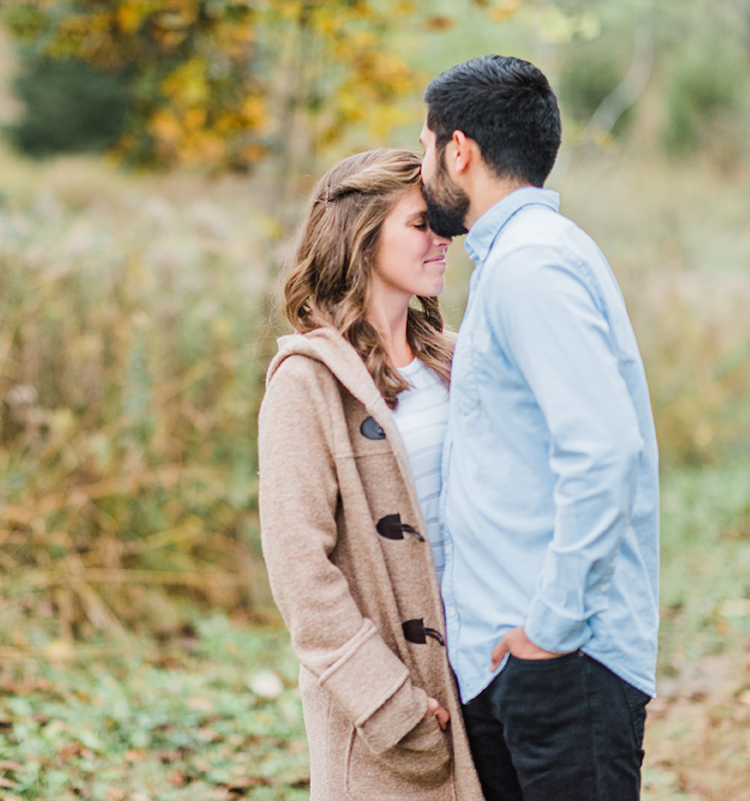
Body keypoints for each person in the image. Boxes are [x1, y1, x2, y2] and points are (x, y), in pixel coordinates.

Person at [418, 55, 661, 801]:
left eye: (426, 147)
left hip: (560, 666)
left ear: (459, 150)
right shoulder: (516, 261)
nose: (426, 167)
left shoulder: (531, 266)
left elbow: (604, 452)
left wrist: (549, 632)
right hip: (522, 666)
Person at [257, 148, 483, 800]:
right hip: (390, 718)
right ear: (361, 235)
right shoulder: (307, 382)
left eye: (443, 222)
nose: (444, 238)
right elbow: (301, 570)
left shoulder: (455, 358)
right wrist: (390, 705)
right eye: (422, 223)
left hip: (478, 684)